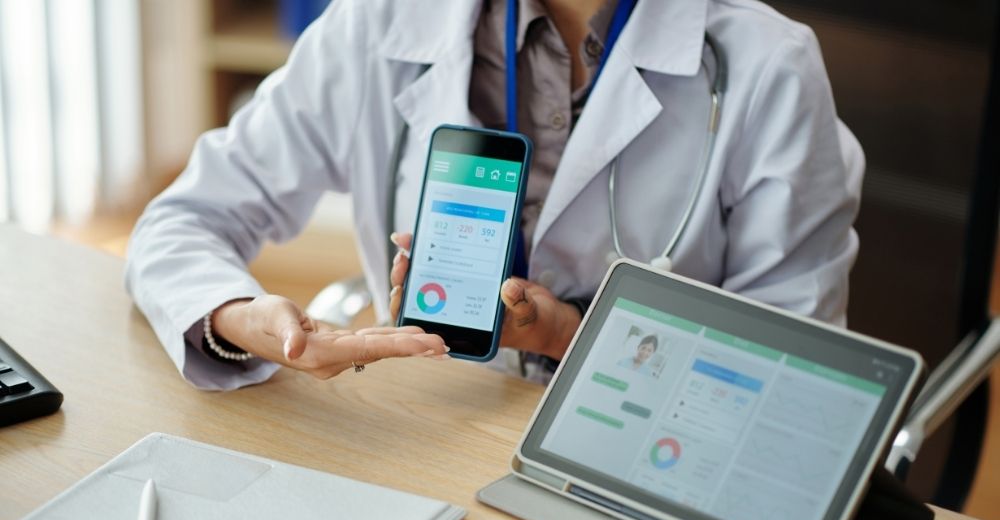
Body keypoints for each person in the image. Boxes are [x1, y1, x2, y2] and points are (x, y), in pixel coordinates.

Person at [125, 0, 863, 390]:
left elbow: (792, 376)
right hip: (428, 441)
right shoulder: (380, 21)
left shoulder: (767, 68)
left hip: (646, 467)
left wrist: (568, 337)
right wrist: (238, 318)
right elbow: (183, 221)